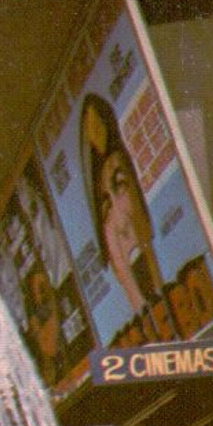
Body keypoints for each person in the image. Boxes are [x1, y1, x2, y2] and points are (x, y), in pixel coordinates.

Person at [80, 93, 165, 334]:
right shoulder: (99, 181)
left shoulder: (117, 160)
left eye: (97, 124)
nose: (95, 133)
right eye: (90, 129)